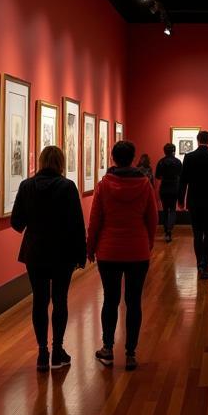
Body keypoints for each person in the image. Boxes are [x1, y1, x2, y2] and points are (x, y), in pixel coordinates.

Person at [10, 145, 86, 372]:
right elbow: (77, 224)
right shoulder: (67, 187)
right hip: (63, 253)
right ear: (61, 163)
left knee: (39, 301)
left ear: (41, 161)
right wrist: (81, 254)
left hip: (35, 252)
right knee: (60, 299)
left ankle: (42, 352)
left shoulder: (26, 186)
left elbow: (16, 223)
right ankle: (58, 350)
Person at [86, 140, 157, 371]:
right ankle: (130, 353)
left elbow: (95, 220)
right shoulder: (144, 184)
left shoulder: (104, 185)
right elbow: (152, 218)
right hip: (137, 250)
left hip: (109, 250)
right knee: (134, 301)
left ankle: (107, 348)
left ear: (113, 158)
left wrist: (90, 247)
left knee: (110, 299)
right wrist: (148, 243)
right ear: (133, 157)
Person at [178, 130, 208, 279]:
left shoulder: (189, 157)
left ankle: (199, 264)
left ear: (198, 140)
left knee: (197, 233)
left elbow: (183, 180)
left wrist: (181, 199)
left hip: (194, 200)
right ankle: (206, 265)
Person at [154, 142, 183, 242]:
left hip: (164, 187)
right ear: (174, 151)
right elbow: (181, 175)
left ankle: (166, 231)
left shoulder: (161, 162)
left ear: (164, 151)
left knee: (165, 210)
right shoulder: (178, 162)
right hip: (174, 187)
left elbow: (157, 176)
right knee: (173, 209)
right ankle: (170, 229)